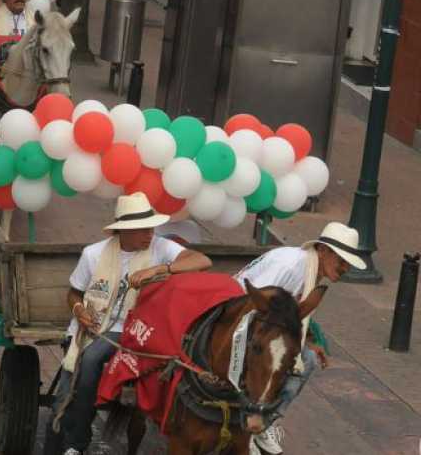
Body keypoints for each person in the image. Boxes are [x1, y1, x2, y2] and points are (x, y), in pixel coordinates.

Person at [48, 192, 213, 455]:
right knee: (89, 360)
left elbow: (202, 261)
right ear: (124, 231)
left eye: (151, 228)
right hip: (103, 327)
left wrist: (160, 270)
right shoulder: (93, 254)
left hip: (144, 329)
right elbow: (74, 292)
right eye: (143, 230)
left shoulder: (160, 248)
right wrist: (79, 310)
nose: (150, 234)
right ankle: (77, 442)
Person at [234, 221, 366, 455]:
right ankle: (250, 425)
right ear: (323, 251)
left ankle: (264, 421)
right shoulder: (293, 266)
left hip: (263, 327)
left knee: (307, 361)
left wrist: (311, 341)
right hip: (241, 324)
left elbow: (291, 315)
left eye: (348, 263)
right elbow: (249, 303)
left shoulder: (313, 270)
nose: (345, 268)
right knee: (291, 363)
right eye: (342, 260)